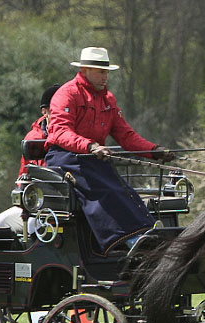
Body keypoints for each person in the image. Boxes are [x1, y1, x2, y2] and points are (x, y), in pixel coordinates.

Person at [44, 46, 175, 254]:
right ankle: (125, 240)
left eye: (106, 72)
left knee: (125, 190)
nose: (105, 77)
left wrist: (154, 150)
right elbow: (60, 132)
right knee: (106, 190)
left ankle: (145, 234)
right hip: (65, 158)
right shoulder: (66, 95)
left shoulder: (109, 100)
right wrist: (90, 145)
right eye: (100, 72)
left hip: (92, 158)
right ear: (85, 70)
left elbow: (126, 136)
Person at [0, 83, 61, 233]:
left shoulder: (68, 136)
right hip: (34, 203)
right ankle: (17, 256)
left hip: (59, 204)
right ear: (45, 111)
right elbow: (23, 173)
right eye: (55, 109)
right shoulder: (32, 138)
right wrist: (23, 193)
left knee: (32, 224)